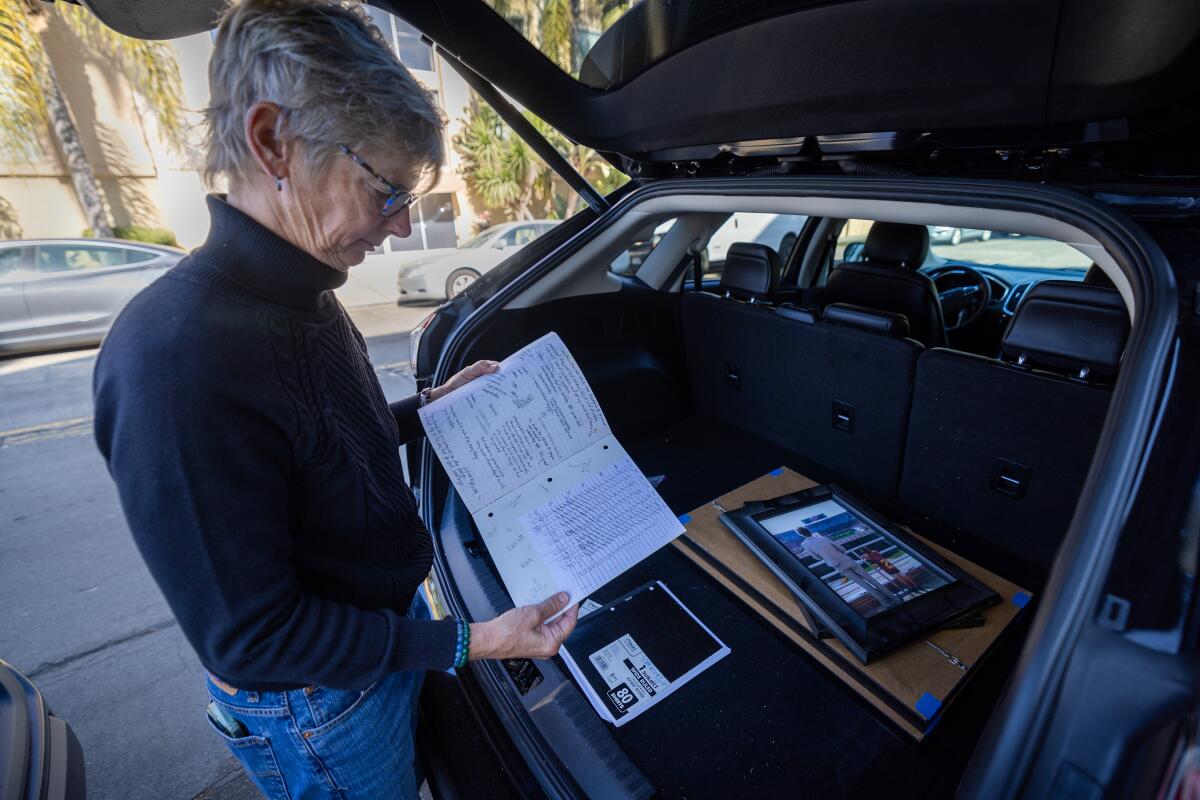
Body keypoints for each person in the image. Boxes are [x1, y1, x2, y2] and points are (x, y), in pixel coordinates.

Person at [92, 2, 578, 798]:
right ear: (271, 142)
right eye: (387, 190)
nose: (401, 224)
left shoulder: (302, 289)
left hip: (378, 645)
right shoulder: (176, 363)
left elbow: (316, 445)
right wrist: (470, 641)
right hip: (317, 707)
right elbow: (253, 638)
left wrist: (429, 409)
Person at [795, 528, 902, 610]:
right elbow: (842, 549)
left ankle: (886, 604)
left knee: (864, 585)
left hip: (838, 565)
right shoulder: (822, 538)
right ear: (809, 531)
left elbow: (816, 557)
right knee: (872, 580)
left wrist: (826, 556)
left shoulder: (804, 544)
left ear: (800, 534)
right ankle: (895, 599)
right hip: (848, 560)